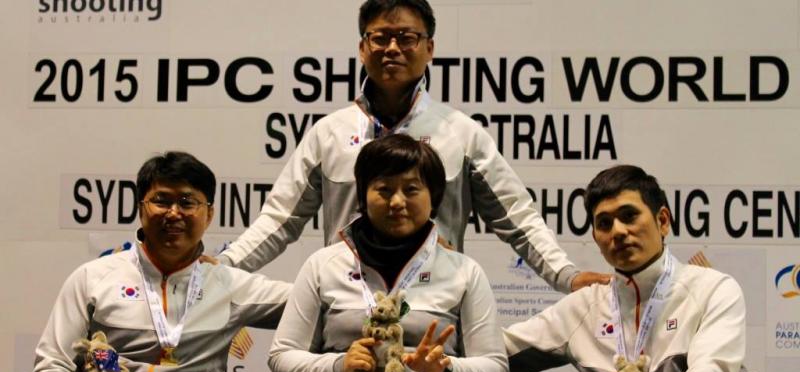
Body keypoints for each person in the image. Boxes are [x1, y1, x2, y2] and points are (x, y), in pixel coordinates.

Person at [218, 0, 607, 294]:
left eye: (406, 38)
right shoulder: (328, 133)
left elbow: (518, 218)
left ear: (429, 48)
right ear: (362, 47)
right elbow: (278, 220)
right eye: (380, 37)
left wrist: (566, 276)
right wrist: (221, 266)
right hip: (346, 306)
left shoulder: (460, 133)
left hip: (437, 305)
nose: (392, 48)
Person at [32, 151, 291, 372]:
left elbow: (315, 300)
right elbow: (51, 365)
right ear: (141, 208)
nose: (173, 213)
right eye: (162, 200)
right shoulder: (93, 278)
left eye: (187, 202)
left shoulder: (229, 285)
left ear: (209, 214)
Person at [268, 134, 507, 372]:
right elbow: (282, 356)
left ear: (433, 197)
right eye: (384, 189)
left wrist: (443, 369)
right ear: (363, 195)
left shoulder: (464, 271)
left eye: (411, 189)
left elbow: (494, 368)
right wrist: (338, 367)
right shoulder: (323, 265)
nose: (397, 202)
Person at [504, 165, 747, 372]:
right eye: (604, 223)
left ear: (663, 221)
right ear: (596, 238)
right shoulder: (586, 305)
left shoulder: (713, 289)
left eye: (629, 216)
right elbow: (495, 352)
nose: (618, 231)